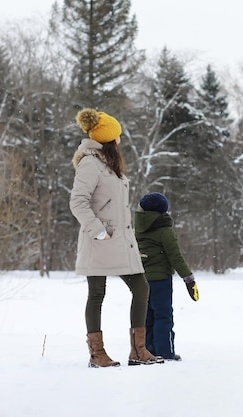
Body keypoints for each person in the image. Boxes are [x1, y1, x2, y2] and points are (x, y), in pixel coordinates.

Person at [70, 108, 163, 367]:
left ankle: (138, 350)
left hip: (120, 241)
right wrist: (98, 231)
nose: (121, 140)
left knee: (141, 287)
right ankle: (97, 354)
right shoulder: (90, 162)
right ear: (109, 139)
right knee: (97, 293)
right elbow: (78, 202)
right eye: (118, 136)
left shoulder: (109, 164)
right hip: (100, 240)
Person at [134, 192, 199, 361]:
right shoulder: (164, 231)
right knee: (163, 315)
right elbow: (175, 257)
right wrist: (188, 278)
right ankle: (165, 351)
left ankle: (149, 350)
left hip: (142, 280)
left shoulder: (138, 229)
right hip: (160, 280)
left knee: (147, 316)